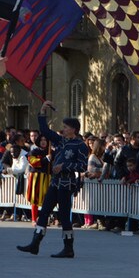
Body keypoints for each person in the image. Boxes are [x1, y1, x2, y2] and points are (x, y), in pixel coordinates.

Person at [17, 100, 89, 258]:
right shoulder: (61, 141)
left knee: (64, 215)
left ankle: (68, 248)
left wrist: (64, 166)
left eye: (66, 127)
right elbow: (44, 130)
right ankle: (35, 244)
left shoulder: (81, 146)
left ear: (74, 129)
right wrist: (42, 111)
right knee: (44, 212)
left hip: (67, 183)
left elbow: (83, 166)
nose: (63, 129)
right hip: (55, 181)